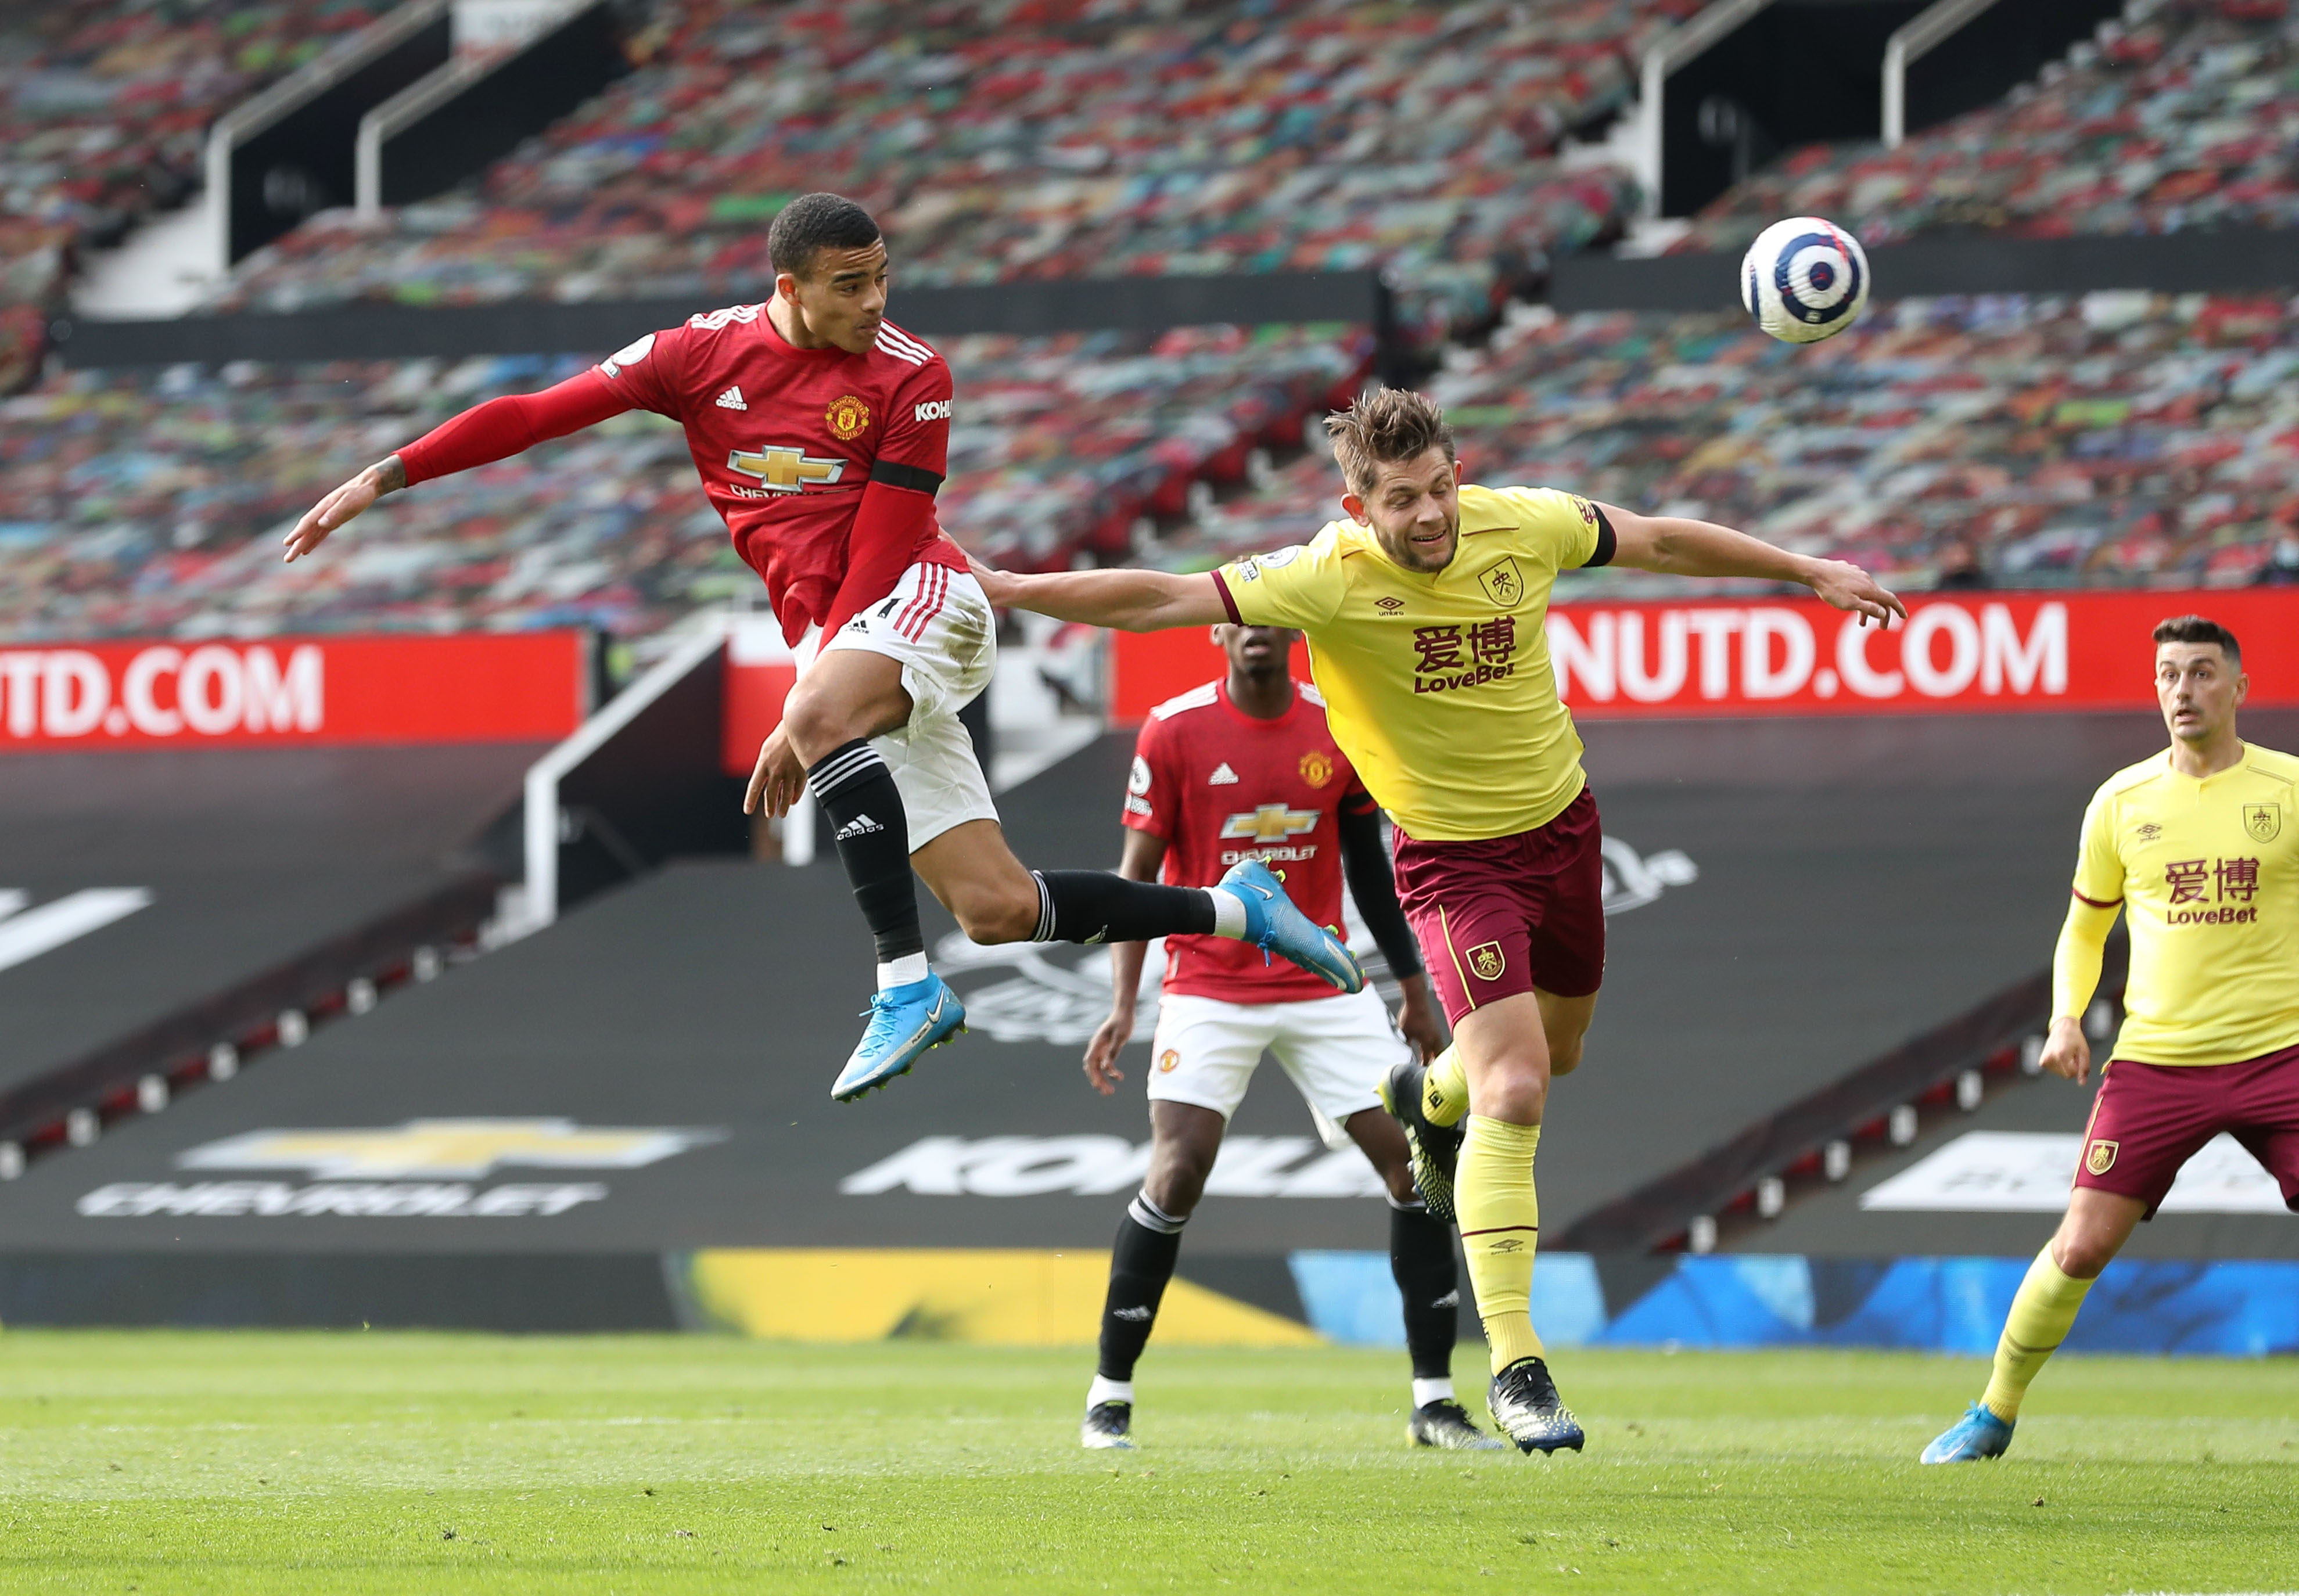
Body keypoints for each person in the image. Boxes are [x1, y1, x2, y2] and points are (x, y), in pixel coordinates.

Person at [969, 387, 1903, 1453]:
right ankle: (1515, 1367)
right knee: (1518, 1086)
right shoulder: (1323, 576)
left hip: (1563, 830)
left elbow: (1657, 541)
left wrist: (1805, 569)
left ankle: (1429, 1094)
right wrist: (1010, 587)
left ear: (1460, 475)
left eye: (1439, 489)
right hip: (1452, 863)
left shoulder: (1526, 523)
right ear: (1356, 507)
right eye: (1401, 500)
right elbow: (1159, 597)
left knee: (1559, 1051)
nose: (1428, 515)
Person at [279, 192, 1360, 1102]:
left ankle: (903, 985)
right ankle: (1238, 907)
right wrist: (388, 474)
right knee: (994, 910)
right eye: (850, 285)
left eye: (882, 276)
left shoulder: (913, 375)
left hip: (924, 597)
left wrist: (806, 716)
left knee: (823, 715)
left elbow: (886, 543)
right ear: (788, 288)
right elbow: (534, 413)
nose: (875, 301)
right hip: (842, 642)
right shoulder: (696, 356)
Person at [1079, 620, 1493, 1451]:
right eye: (1239, 619)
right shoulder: (1173, 730)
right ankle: (1108, 1396)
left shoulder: (1335, 723)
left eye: (1269, 616)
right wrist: (1124, 1002)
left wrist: (1413, 990)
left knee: (1418, 1164)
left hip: (1323, 980)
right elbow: (1136, 875)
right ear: (1218, 634)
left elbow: (1370, 868)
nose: (1255, 632)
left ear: (1293, 629)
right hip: (1208, 984)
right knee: (1177, 1171)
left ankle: (1435, 1402)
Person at [1923, 615, 2299, 1464]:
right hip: (2159, 1062)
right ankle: (1992, 1412)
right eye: (2168, 675)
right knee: (2082, 1243)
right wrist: (2066, 1016)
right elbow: (2084, 930)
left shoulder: (2288, 789)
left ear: (2239, 689)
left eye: (2201, 673)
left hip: (2283, 1054)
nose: (2182, 691)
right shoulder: (2122, 802)